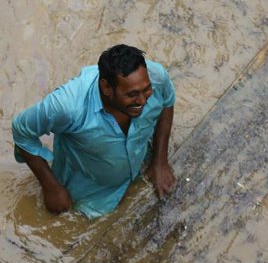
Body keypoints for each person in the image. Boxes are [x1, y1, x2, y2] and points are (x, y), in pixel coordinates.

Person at [12, 44, 176, 218]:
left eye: (146, 90)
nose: (143, 100)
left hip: (139, 168)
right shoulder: (68, 107)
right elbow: (22, 130)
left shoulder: (157, 77)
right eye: (132, 95)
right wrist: (51, 187)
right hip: (89, 198)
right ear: (106, 88)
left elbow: (167, 101)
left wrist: (160, 161)